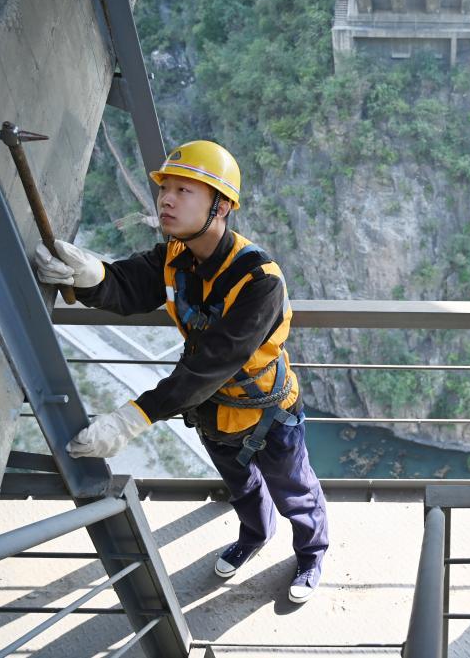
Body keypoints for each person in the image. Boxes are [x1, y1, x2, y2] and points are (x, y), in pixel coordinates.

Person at [34, 140, 329, 604]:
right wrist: (91, 276)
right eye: (165, 188)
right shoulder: (175, 256)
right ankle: (254, 536)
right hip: (212, 413)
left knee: (295, 489)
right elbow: (128, 289)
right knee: (242, 486)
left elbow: (211, 363)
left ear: (222, 206)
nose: (166, 199)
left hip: (268, 411)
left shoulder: (260, 282)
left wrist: (134, 416)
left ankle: (312, 553)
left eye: (185, 190)